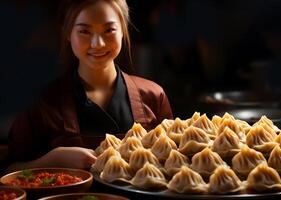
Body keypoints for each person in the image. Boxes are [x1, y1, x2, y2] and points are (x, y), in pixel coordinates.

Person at [6, 0, 173, 173]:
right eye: (84, 31)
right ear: (68, 33)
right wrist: (55, 159)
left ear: (123, 30)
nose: (97, 43)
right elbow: (9, 172)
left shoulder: (153, 95)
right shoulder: (42, 104)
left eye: (109, 30)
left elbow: (174, 166)